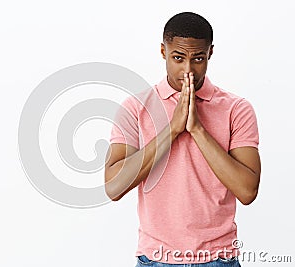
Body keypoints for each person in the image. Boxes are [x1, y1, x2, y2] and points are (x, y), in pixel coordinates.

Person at [104, 12, 260, 266]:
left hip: (218, 259)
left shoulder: (237, 109)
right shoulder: (135, 108)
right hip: (155, 259)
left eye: (197, 58)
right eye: (178, 58)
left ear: (210, 53)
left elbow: (247, 191)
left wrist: (197, 129)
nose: (188, 70)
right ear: (163, 51)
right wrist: (173, 130)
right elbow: (113, 187)